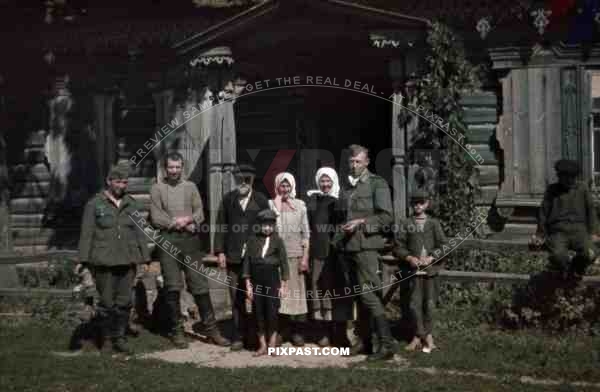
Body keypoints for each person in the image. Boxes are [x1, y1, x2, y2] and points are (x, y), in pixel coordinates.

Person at [150, 151, 230, 349]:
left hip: (191, 242)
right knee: (173, 286)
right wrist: (177, 223)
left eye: (178, 167)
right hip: (167, 241)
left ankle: (212, 330)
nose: (174, 171)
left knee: (200, 285)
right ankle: (177, 331)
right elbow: (156, 217)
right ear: (165, 169)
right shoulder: (157, 189)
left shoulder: (190, 187)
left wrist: (187, 220)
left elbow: (200, 212)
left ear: (182, 168)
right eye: (171, 167)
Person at [78, 163, 151, 355]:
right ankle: (107, 340)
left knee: (125, 302)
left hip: (127, 260)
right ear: (109, 181)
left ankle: (120, 338)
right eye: (118, 181)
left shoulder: (131, 204)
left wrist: (144, 259)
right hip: (104, 261)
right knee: (106, 303)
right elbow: (87, 234)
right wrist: (84, 262)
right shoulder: (95, 204)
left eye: (125, 182)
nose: (122, 185)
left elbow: (139, 232)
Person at [338, 144, 397, 361]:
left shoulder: (377, 184)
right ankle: (365, 341)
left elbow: (387, 217)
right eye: (351, 162)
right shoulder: (347, 187)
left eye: (358, 162)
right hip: (349, 248)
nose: (354, 166)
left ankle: (386, 344)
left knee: (369, 295)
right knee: (357, 297)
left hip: (366, 248)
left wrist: (361, 222)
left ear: (367, 162)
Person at [214, 163, 270, 351]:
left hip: (256, 258)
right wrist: (220, 252)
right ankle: (237, 335)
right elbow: (221, 226)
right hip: (234, 257)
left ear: (252, 180)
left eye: (247, 179)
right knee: (236, 297)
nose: (243, 182)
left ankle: (256, 334)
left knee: (257, 297)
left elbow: (268, 228)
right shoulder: (228, 200)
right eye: (239, 179)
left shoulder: (262, 200)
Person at [393, 190, 448, 353]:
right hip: (413, 271)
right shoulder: (405, 223)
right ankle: (417, 336)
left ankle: (428, 335)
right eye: (415, 203)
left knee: (430, 304)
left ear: (427, 204)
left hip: (431, 271)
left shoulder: (434, 224)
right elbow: (398, 246)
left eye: (421, 202)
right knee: (414, 304)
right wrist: (409, 257)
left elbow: (444, 246)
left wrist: (432, 258)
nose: (418, 206)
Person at [306, 167, 353, 347]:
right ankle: (323, 331)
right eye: (322, 181)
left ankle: (339, 332)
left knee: (336, 292)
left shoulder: (341, 200)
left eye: (328, 181)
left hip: (336, 254)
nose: (325, 185)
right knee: (319, 291)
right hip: (318, 253)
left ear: (334, 181)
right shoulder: (314, 202)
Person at [531, 159, 599, 278]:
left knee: (591, 253)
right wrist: (540, 234)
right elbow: (543, 213)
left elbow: (591, 211)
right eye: (566, 177)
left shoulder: (582, 189)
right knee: (557, 256)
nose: (570, 180)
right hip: (558, 233)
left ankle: (575, 269)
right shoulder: (552, 190)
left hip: (579, 232)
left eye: (573, 177)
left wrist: (594, 232)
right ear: (559, 177)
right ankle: (567, 270)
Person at [269, 172, 310, 346]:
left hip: (296, 256)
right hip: (277, 257)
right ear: (277, 187)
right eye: (281, 185)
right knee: (281, 295)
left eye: (287, 186)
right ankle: (281, 331)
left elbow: (306, 234)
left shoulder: (300, 205)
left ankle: (297, 332)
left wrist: (305, 259)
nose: (284, 189)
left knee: (297, 295)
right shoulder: (271, 204)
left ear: (292, 186)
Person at [243, 209, 289, 356]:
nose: (267, 228)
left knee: (272, 312)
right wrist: (248, 285)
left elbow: (284, 264)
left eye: (270, 225)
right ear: (259, 225)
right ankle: (262, 345)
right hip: (257, 281)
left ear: (274, 225)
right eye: (264, 225)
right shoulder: (252, 240)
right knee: (259, 313)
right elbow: (247, 264)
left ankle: (272, 345)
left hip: (272, 281)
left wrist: (283, 286)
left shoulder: (278, 241)